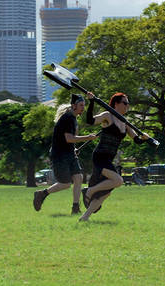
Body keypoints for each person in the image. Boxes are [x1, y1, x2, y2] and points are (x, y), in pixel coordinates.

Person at [79, 92, 149, 221]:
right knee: (118, 181)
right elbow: (90, 120)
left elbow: (137, 140)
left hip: (109, 159)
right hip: (100, 157)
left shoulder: (125, 123)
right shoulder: (107, 116)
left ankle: (85, 217)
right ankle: (89, 191)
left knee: (107, 192)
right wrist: (92, 101)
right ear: (116, 104)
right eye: (125, 103)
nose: (127, 106)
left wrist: (145, 138)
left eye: (128, 104)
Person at [33, 94, 98, 214]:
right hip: (60, 155)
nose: (83, 108)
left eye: (84, 105)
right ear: (74, 106)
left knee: (78, 178)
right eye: (81, 105)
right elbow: (69, 138)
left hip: (68, 153)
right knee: (66, 184)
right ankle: (42, 193)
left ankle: (75, 207)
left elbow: (68, 140)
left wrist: (73, 149)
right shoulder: (68, 118)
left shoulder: (73, 118)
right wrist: (87, 137)